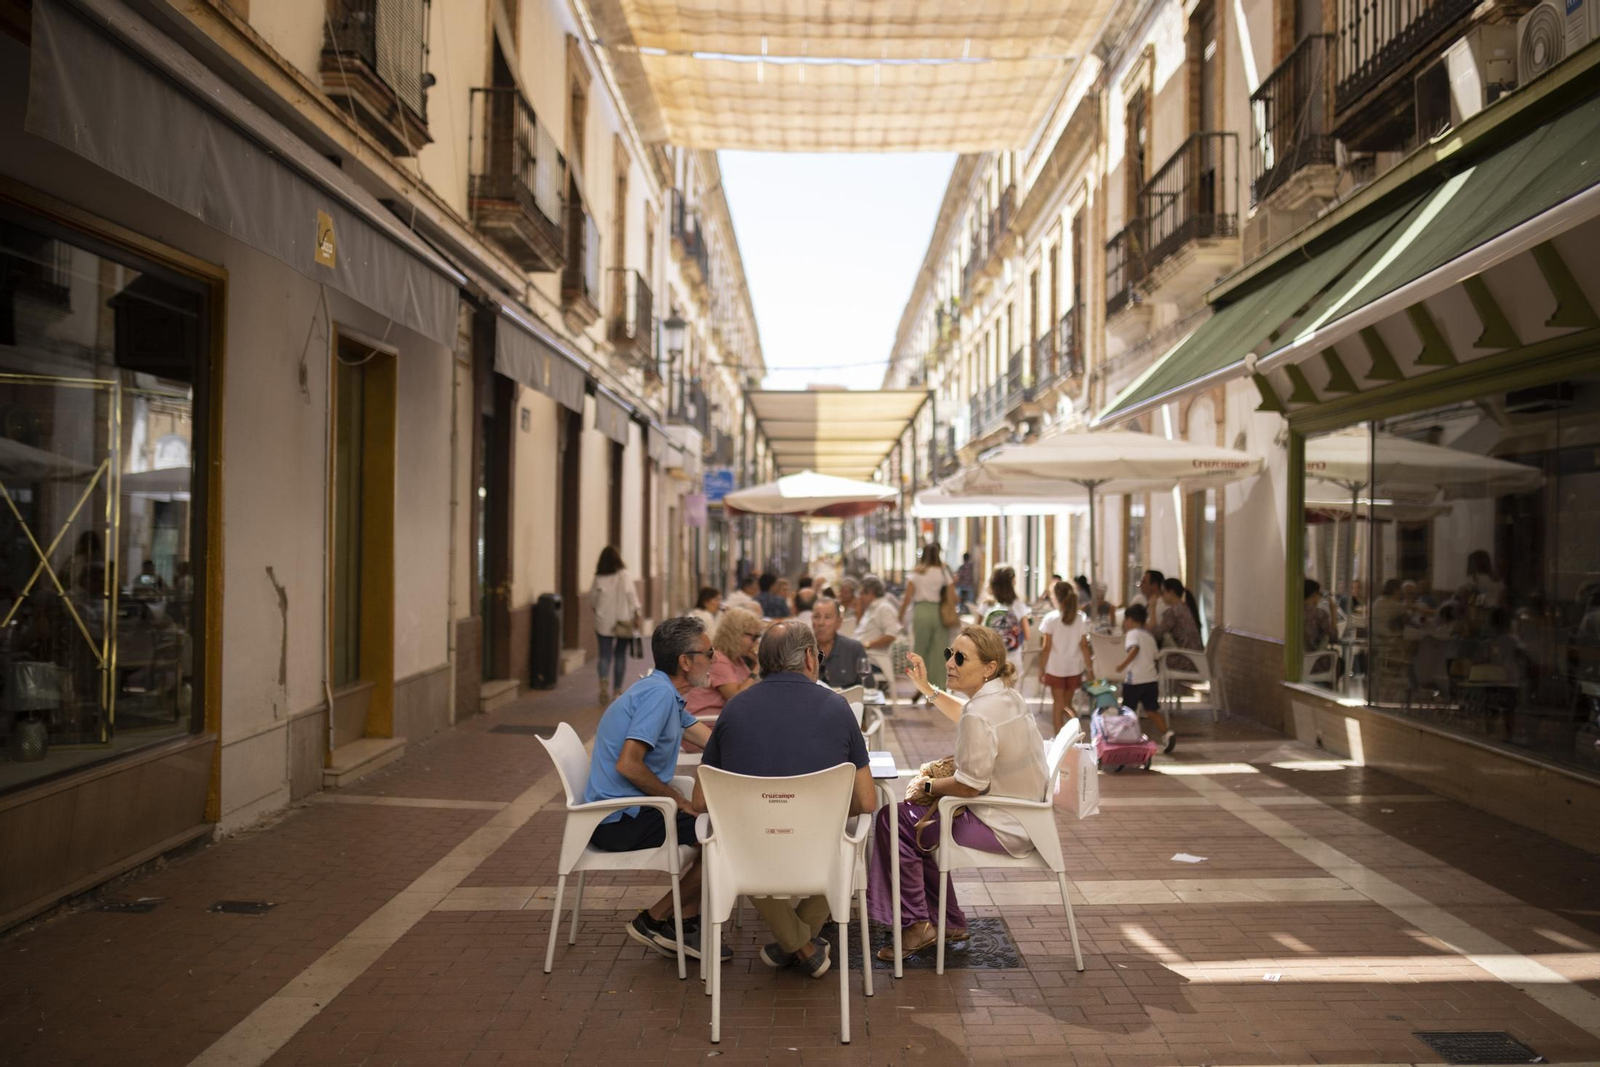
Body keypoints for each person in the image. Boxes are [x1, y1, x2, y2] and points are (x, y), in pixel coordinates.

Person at [695, 620, 876, 977]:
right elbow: (867, 801)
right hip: (820, 852)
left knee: (738, 836)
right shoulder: (838, 708)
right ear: (810, 658)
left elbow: (703, 800)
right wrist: (828, 812)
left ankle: (795, 944)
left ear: (761, 660)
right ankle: (803, 944)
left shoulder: (734, 710)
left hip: (750, 856)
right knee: (845, 846)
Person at [869, 628, 1047, 959]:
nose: (950, 662)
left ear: (988, 668)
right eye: (950, 653)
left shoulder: (982, 711)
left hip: (1002, 823)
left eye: (960, 658)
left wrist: (926, 785)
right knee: (914, 822)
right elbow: (967, 715)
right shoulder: (1005, 696)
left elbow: (969, 785)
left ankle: (917, 925)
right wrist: (928, 690)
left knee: (893, 821)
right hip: (1025, 815)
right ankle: (946, 920)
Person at [583, 617, 728, 962]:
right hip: (618, 820)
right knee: (724, 839)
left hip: (630, 810)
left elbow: (714, 741)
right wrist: (677, 800)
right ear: (686, 661)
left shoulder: (664, 691)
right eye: (709, 653)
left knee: (713, 829)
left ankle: (682, 926)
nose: (714, 660)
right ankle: (655, 919)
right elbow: (628, 764)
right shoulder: (659, 696)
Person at [1116, 603, 1173, 752]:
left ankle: (1125, 740)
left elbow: (1135, 649)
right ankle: (1167, 733)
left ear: (1129, 620)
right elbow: (1155, 656)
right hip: (1151, 680)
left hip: (1135, 680)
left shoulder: (1132, 634)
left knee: (1127, 712)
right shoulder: (1149, 636)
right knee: (1152, 711)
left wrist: (1122, 665)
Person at [686, 608, 762, 719]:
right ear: (736, 635)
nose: (756, 642)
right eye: (754, 637)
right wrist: (756, 668)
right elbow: (736, 698)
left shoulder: (737, 660)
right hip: (709, 723)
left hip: (725, 720)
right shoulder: (718, 660)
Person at [1039, 580, 1092, 735]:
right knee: (1067, 704)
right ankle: (1076, 733)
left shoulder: (1050, 618)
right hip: (1074, 668)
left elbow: (1046, 647)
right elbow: (1084, 646)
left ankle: (1058, 738)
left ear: (1055, 597)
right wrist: (1090, 669)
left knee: (1058, 704)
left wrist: (1041, 668)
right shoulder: (1081, 617)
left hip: (1056, 668)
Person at [590, 546, 641, 704]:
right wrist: (636, 614)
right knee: (620, 655)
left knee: (604, 656)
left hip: (603, 621)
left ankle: (603, 680)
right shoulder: (624, 575)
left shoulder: (599, 577)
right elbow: (632, 597)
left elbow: (592, 600)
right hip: (623, 622)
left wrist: (599, 610)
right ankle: (617, 691)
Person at [901, 544, 955, 692]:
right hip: (939, 612)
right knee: (939, 651)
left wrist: (900, 615)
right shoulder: (943, 572)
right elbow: (952, 593)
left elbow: (907, 597)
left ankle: (921, 686)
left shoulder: (917, 573)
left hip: (921, 611)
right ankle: (939, 688)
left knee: (921, 650)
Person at [855, 574, 902, 691]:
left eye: (861, 593)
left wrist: (867, 644)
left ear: (870, 593)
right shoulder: (871, 608)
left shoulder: (884, 608)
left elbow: (891, 635)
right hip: (862, 656)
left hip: (873, 659)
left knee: (838, 664)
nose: (859, 597)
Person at [982, 565, 1031, 676]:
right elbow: (1027, 635)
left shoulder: (986, 605)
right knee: (1011, 691)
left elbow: (976, 631)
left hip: (990, 658)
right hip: (1013, 658)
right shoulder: (1018, 605)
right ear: (1012, 582)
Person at [1150, 577, 1203, 674]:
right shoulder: (1185, 607)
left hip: (1187, 661)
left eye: (1163, 593)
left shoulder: (1174, 612)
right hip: (1198, 659)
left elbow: (1155, 634)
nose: (1161, 597)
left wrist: (1152, 608)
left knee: (1151, 662)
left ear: (1171, 592)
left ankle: (1161, 689)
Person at [814, 597, 869, 689]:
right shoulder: (802, 649)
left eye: (827, 617)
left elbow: (867, 687)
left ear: (838, 622)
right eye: (816, 617)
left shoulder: (854, 648)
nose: (821, 623)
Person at [1303, 579, 1338, 653]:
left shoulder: (1295, 613)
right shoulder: (1320, 614)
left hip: (1298, 660)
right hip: (1315, 660)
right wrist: (1333, 612)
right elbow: (1333, 638)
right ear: (1314, 595)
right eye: (1320, 594)